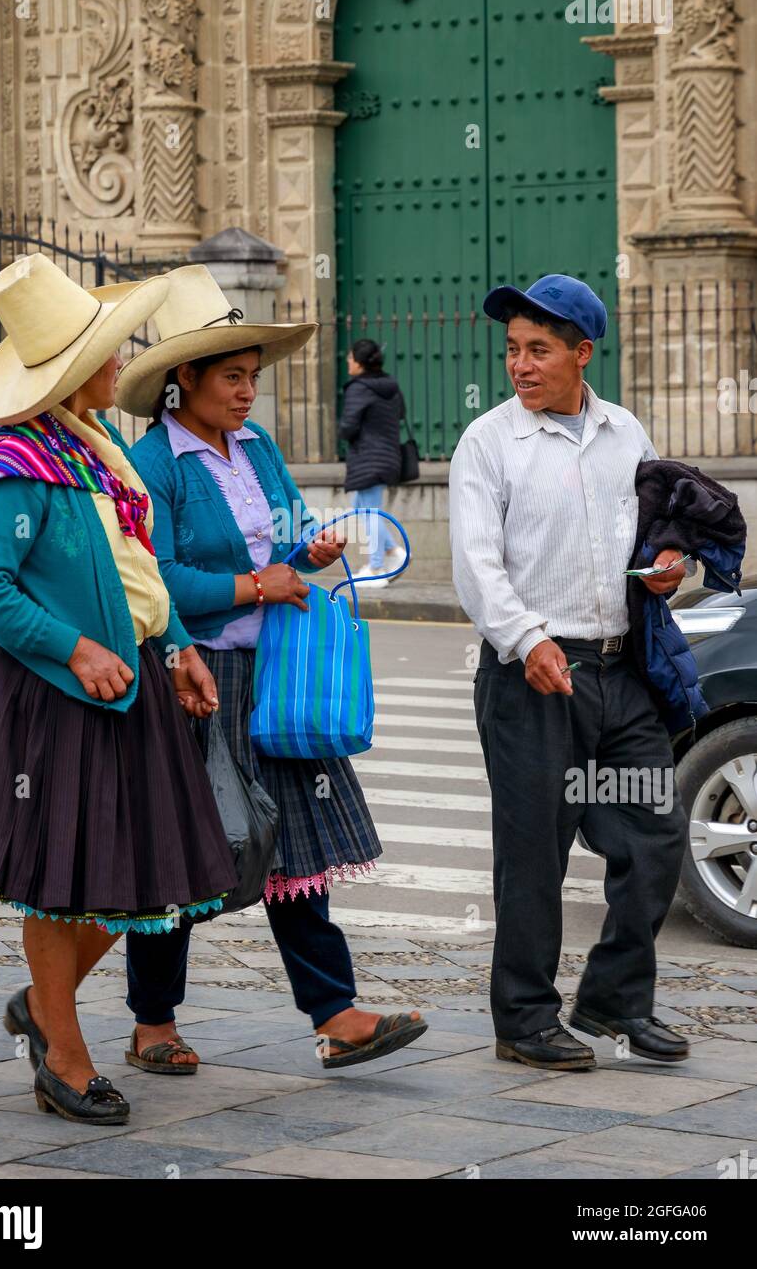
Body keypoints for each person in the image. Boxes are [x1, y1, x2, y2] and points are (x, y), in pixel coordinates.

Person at [0, 254, 238, 1124]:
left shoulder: (97, 456)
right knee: (63, 879)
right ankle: (62, 1051)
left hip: (128, 691)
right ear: (72, 372)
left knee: (139, 879)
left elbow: (137, 576)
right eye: (106, 352)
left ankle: (42, 1004)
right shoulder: (23, 465)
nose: (118, 361)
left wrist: (177, 649)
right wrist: (76, 649)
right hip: (52, 701)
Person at [114, 264, 427, 1072]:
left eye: (253, 377)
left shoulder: (258, 450)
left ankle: (336, 1013)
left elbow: (285, 548)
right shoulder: (156, 465)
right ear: (184, 380)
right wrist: (255, 583)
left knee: (296, 853)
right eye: (232, 378)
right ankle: (153, 1023)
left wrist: (307, 551)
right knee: (187, 849)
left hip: (275, 679)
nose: (249, 393)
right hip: (199, 680)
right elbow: (152, 576)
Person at [448, 273, 690, 1071]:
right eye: (514, 349)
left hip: (621, 674)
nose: (520, 364)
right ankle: (523, 1018)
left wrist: (665, 563)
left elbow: (658, 532)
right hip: (531, 678)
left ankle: (616, 999)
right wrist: (527, 639)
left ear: (583, 353)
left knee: (655, 833)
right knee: (534, 852)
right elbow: (478, 567)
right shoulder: (489, 442)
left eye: (539, 349)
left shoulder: (627, 433)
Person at [338, 339, 407, 589]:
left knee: (370, 511)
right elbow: (400, 414)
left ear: (359, 362)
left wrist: (345, 431)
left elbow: (348, 426)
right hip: (387, 454)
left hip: (369, 456)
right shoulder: (391, 385)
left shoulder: (358, 388)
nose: (348, 362)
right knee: (362, 505)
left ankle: (376, 569)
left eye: (350, 358)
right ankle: (394, 552)